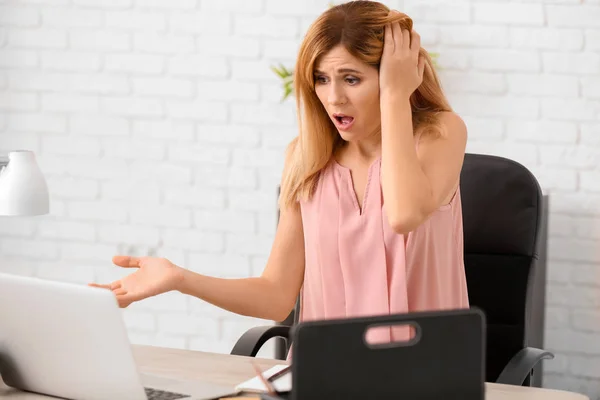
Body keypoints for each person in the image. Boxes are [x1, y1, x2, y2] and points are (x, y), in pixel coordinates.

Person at [90, 1, 469, 344]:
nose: (334, 97)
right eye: (321, 79)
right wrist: (179, 279)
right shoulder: (305, 157)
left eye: (351, 79)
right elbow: (276, 295)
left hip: (424, 375)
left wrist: (394, 98)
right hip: (325, 377)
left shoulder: (440, 134)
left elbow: (403, 216)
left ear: (395, 76)